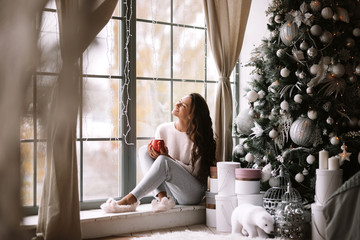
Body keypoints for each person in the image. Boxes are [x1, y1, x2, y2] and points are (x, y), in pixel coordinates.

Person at [101, 93, 216, 213]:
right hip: (171, 191)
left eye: (183, 105)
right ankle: (163, 200)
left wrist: (168, 158)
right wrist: (157, 156)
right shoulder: (163, 129)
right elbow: (158, 168)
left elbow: (194, 172)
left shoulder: (199, 138)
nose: (177, 104)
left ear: (191, 115)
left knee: (163, 160)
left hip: (192, 193)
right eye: (179, 100)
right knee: (144, 151)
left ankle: (130, 200)